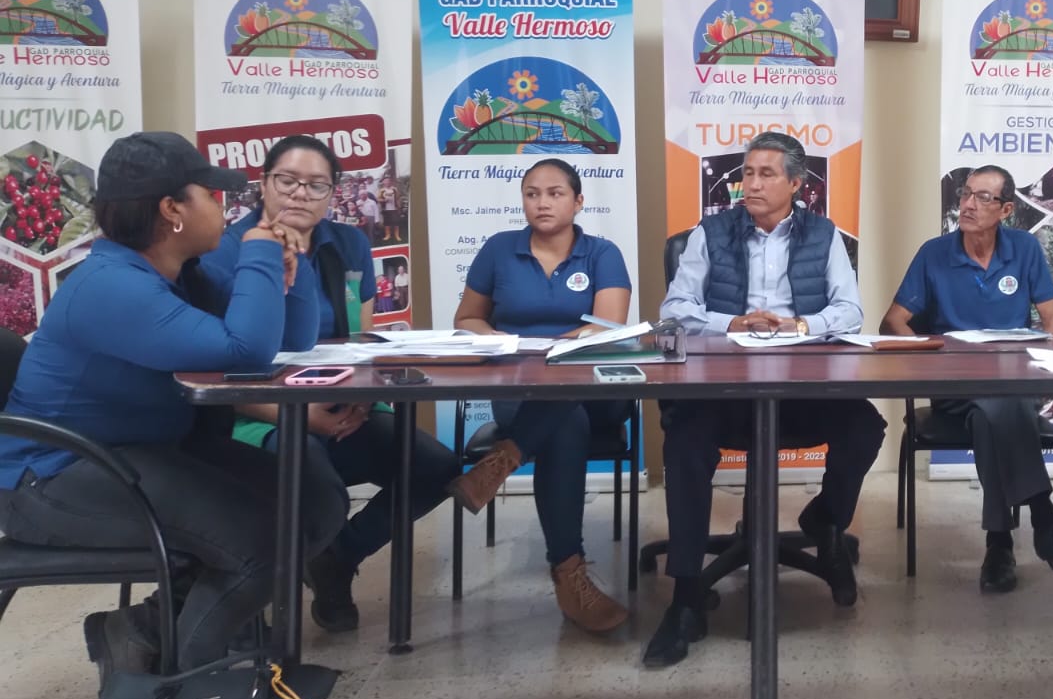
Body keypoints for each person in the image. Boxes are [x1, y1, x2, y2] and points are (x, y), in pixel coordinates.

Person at [0, 131, 346, 677]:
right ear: (171, 210)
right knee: (262, 542)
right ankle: (185, 685)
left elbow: (292, 340)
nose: (221, 205)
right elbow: (246, 352)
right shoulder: (110, 286)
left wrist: (289, 263)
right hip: (54, 478)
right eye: (209, 194)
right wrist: (259, 246)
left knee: (316, 498)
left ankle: (141, 632)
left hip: (136, 453)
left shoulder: (179, 276)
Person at [201, 134, 457, 634]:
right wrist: (299, 415)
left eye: (316, 185)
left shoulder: (349, 244)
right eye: (288, 181)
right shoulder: (223, 253)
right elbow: (213, 374)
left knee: (436, 467)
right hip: (260, 415)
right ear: (263, 184)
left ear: (332, 193)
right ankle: (281, 586)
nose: (300, 193)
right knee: (315, 479)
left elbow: (360, 342)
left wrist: (364, 399)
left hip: (343, 407)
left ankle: (337, 557)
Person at [649, 132, 886, 668]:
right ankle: (685, 596)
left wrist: (801, 324)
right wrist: (732, 322)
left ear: (796, 184)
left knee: (864, 427)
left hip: (799, 385)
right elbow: (675, 309)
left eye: (766, 174)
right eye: (747, 173)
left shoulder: (824, 235)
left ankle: (825, 521)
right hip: (721, 388)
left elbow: (850, 312)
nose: (751, 184)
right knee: (685, 442)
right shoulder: (710, 233)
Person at [880, 164, 1053, 594]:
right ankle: (1044, 519)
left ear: (1006, 210)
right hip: (954, 385)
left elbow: (1052, 318)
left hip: (1013, 386)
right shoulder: (934, 253)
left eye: (983, 197)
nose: (968, 204)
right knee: (996, 406)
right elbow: (893, 322)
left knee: (991, 414)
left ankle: (1000, 544)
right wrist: (932, 356)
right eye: (966, 194)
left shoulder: (1024, 249)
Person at [451, 159, 631, 635]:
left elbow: (609, 327)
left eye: (555, 193)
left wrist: (555, 347)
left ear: (578, 201)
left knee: (568, 403)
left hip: (596, 388)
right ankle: (570, 575)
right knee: (564, 423)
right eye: (532, 193)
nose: (542, 203)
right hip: (523, 388)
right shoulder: (499, 250)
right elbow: (466, 318)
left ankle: (502, 459)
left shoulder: (602, 253)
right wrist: (493, 338)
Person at [378, 176, 401, 244]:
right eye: (386, 181)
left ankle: (397, 235)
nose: (387, 182)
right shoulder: (381, 190)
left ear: (390, 182)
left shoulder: (394, 189)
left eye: (388, 181)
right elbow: (378, 199)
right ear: (383, 182)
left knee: (396, 222)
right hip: (386, 209)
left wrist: (399, 205)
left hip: (394, 208)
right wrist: (384, 200)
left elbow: (398, 197)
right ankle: (388, 235)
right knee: (387, 223)